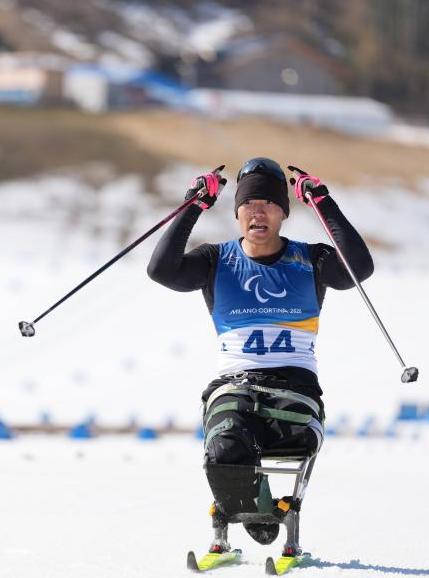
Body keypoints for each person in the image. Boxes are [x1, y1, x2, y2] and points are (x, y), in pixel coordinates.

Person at [147, 157, 374, 557]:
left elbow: (359, 268)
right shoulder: (215, 260)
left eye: (268, 203)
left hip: (295, 392)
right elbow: (161, 271)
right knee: (223, 449)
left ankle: (257, 509)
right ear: (237, 213)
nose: (258, 212)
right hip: (233, 389)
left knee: (289, 441)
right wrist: (193, 205)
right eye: (249, 204)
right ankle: (261, 513)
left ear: (283, 213)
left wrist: (323, 202)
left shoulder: (312, 260)